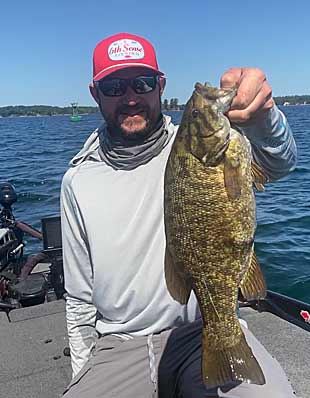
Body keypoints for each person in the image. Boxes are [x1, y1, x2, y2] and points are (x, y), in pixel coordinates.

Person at [61, 32, 297, 398]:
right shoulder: (77, 180)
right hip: (117, 348)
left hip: (200, 327)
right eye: (114, 86)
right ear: (95, 93)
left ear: (160, 86)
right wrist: (83, 372)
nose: (131, 97)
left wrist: (264, 117)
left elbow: (279, 163)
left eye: (142, 83)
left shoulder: (193, 141)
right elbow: (78, 296)